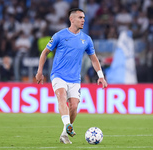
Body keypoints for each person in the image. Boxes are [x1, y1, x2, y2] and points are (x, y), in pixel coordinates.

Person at [35, 8, 107, 144]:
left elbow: (93, 58)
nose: (83, 20)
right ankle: (68, 125)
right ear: (71, 19)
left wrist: (101, 76)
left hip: (75, 78)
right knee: (61, 96)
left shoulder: (86, 39)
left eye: (84, 18)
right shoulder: (59, 36)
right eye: (80, 17)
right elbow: (44, 52)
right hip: (58, 75)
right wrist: (39, 72)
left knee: (74, 106)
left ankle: (64, 133)